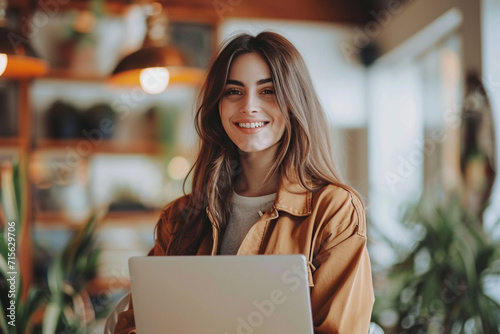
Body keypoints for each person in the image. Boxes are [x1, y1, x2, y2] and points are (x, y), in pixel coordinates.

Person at [114, 31, 374, 334]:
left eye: (268, 91)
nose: (249, 106)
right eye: (233, 91)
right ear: (217, 106)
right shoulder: (179, 216)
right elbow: (136, 324)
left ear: (294, 102)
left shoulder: (334, 210)